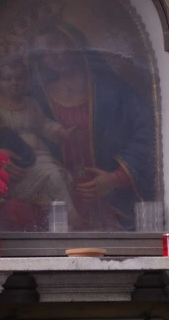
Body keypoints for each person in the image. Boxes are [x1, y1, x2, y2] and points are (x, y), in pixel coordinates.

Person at [30, 22, 156, 230]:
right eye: (43, 53)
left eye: (55, 45)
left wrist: (116, 178)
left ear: (74, 42)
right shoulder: (38, 99)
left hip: (114, 201)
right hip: (62, 204)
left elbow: (148, 134)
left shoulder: (112, 89)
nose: (52, 55)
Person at [0, 59, 77, 224]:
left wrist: (61, 132)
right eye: (7, 79)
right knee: (53, 176)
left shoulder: (31, 103)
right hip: (11, 161)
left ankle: (67, 219)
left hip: (38, 156)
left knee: (55, 176)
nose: (14, 83)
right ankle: (69, 218)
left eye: (19, 78)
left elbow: (43, 124)